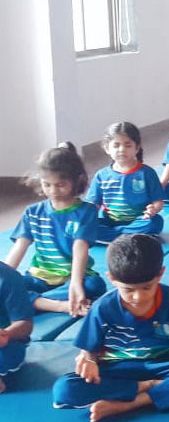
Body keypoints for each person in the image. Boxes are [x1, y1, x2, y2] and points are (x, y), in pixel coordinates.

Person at [51, 234, 169, 422]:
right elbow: (89, 351)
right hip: (120, 369)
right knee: (65, 389)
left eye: (146, 288)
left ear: (160, 274)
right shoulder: (102, 308)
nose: (138, 297)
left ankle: (131, 403)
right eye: (128, 290)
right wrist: (88, 360)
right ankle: (151, 388)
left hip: (165, 365)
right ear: (112, 278)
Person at [5, 143, 104, 316]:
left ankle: (35, 302)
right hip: (40, 277)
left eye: (61, 185)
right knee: (10, 286)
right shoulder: (33, 212)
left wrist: (75, 283)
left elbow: (80, 247)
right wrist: (4, 278)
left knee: (94, 285)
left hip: (72, 276)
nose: (53, 191)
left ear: (76, 181)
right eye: (47, 184)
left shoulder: (86, 211)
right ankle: (57, 305)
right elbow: (19, 247)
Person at [86, 122, 165, 243]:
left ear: (137, 148)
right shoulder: (101, 176)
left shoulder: (147, 173)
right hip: (110, 222)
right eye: (116, 145)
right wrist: (86, 218)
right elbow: (94, 204)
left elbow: (158, 201)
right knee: (87, 226)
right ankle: (128, 235)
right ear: (107, 148)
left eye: (128, 145)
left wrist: (153, 209)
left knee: (155, 222)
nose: (122, 150)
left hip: (139, 220)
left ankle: (115, 236)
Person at [0, 262, 33, 395]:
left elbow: (24, 324)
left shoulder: (8, 276)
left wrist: (6, 334)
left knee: (5, 356)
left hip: (6, 346)